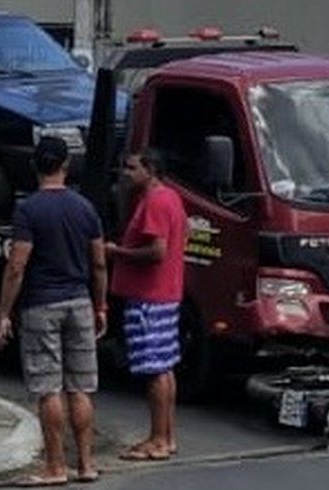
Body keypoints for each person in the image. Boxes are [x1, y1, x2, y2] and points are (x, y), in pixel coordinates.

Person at [0, 136, 108, 485]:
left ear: (35, 166)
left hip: (41, 304)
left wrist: (3, 312)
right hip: (79, 301)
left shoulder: (28, 210)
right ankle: (86, 464)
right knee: (80, 387)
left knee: (48, 387)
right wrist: (100, 304)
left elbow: (17, 265)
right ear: (66, 165)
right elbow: (99, 263)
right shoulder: (85, 208)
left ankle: (56, 466)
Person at [107, 149, 187, 462]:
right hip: (166, 295)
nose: (125, 174)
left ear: (150, 169)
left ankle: (158, 440)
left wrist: (116, 252)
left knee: (154, 370)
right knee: (165, 369)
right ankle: (166, 436)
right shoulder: (171, 198)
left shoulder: (154, 202)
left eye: (131, 168)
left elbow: (156, 251)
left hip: (149, 299)